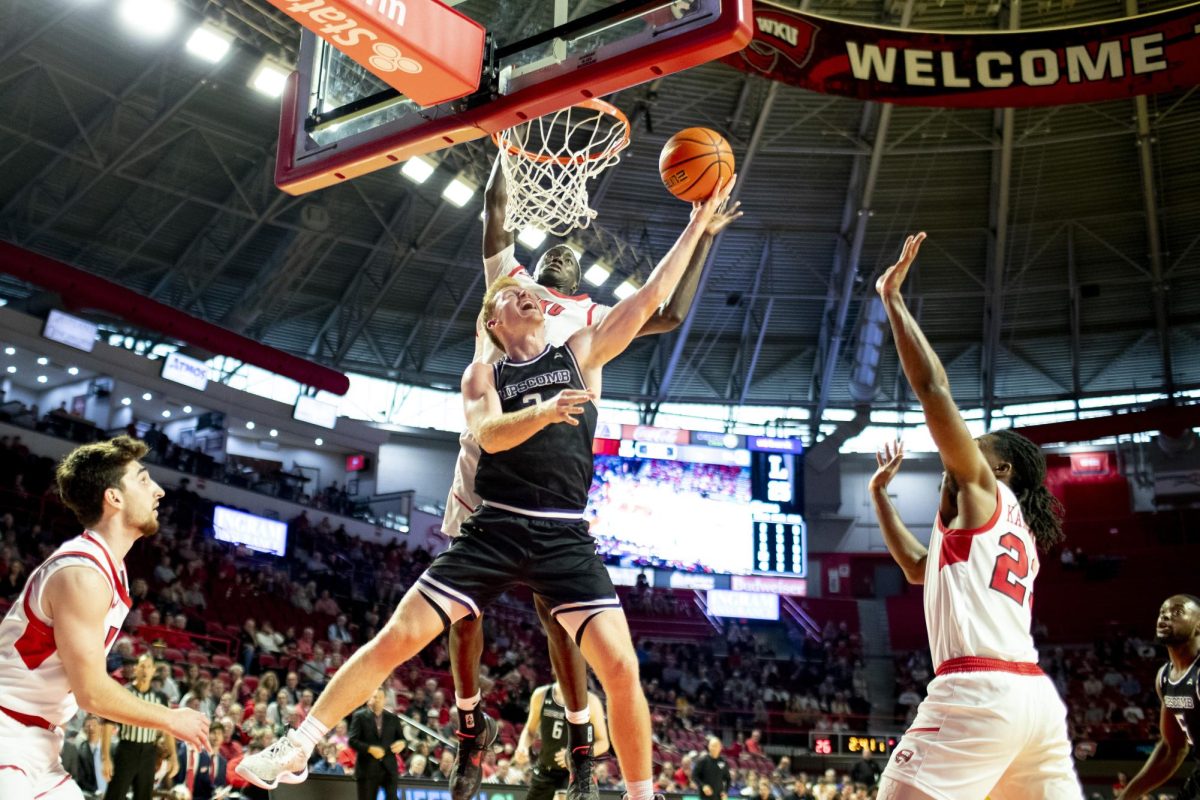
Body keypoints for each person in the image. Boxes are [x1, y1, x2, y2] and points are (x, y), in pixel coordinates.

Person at [236, 175, 736, 794]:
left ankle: (640, 794)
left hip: (563, 534)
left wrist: (696, 225)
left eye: (533, 292)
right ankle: (298, 745)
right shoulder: (483, 374)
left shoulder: (579, 349)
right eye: (516, 292)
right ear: (494, 319)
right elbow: (491, 436)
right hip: (493, 526)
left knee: (623, 669)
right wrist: (545, 413)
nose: (530, 294)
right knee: (398, 637)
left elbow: (655, 296)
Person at [442, 154, 740, 800]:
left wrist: (703, 236)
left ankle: (582, 743)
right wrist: (507, 147)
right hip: (488, 452)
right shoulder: (511, 284)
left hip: (552, 474)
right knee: (461, 613)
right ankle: (471, 729)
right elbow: (494, 218)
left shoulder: (589, 319)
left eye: (572, 254)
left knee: (560, 618)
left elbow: (665, 311)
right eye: (555, 249)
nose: (561, 256)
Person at [868, 233, 1081, 800]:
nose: (959, 450)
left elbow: (933, 388)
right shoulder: (1011, 534)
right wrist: (880, 499)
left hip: (978, 688)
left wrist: (893, 299)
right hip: (1031, 700)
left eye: (975, 444)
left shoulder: (985, 490)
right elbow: (919, 568)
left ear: (1003, 467)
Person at [0, 436, 209, 800]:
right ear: (113, 498)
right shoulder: (82, 574)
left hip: (38, 738)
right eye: (143, 480)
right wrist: (170, 718)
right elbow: (92, 693)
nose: (158, 491)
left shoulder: (110, 568)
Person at [1116, 595, 1200, 799]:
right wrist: (1126, 796)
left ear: (1198, 626)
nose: (1165, 616)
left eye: (1178, 612)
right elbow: (1172, 748)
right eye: (1162, 612)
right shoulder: (1164, 677)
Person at [515, 676, 611, 800]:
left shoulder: (591, 701)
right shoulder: (542, 694)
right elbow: (530, 730)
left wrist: (573, 754)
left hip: (575, 772)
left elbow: (603, 742)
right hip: (545, 770)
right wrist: (522, 746)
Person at [104, 653, 173, 800]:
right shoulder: (124, 692)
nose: (145, 670)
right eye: (142, 666)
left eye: (149, 667)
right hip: (127, 749)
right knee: (115, 794)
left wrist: (173, 757)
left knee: (144, 796)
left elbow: (168, 728)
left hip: (149, 751)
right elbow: (108, 724)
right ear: (136, 669)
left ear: (154, 670)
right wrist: (105, 758)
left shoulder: (160, 697)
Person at [348, 687, 405, 800]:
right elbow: (352, 741)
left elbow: (402, 739)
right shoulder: (359, 716)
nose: (377, 700)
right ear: (370, 699)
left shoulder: (393, 718)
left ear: (385, 699)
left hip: (389, 768)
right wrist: (370, 749)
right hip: (367, 769)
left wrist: (402, 744)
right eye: (374, 697)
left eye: (380, 697)